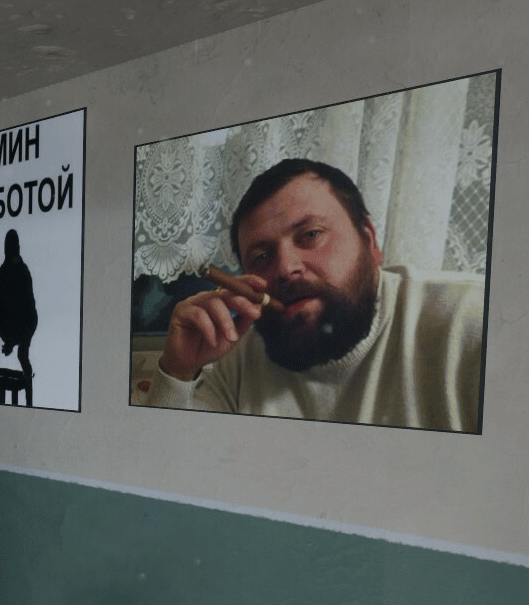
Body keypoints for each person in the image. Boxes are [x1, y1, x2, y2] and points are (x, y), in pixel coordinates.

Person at [137, 158, 485, 432]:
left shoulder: (472, 324)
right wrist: (178, 372)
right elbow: (167, 475)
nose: (286, 268)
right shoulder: (237, 356)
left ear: (369, 241)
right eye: (261, 257)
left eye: (311, 235)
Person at [0, 228, 38, 381]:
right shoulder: (1, 274)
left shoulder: (23, 273)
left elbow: (29, 314)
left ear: (17, 249)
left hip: (24, 325)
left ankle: (27, 374)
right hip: (7, 324)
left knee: (22, 355)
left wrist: (14, 343)